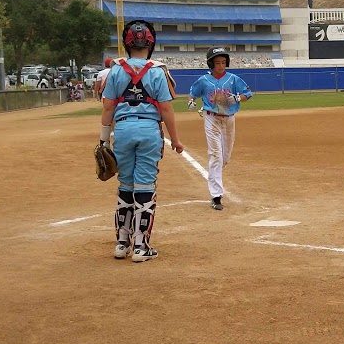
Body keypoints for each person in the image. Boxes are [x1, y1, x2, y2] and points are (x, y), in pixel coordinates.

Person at [99, 20, 184, 262]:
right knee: (145, 186)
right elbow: (166, 109)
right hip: (148, 130)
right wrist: (176, 140)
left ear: (126, 43)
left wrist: (104, 141)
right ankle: (141, 246)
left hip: (123, 128)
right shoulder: (158, 71)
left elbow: (107, 108)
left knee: (125, 185)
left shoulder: (115, 70)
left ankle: (121, 243)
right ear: (151, 42)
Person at [188, 47, 252, 210]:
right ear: (211, 64)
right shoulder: (204, 80)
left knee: (225, 157)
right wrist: (191, 101)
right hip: (212, 118)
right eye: (217, 63)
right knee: (215, 155)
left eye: (223, 62)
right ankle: (216, 196)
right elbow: (193, 93)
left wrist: (237, 97)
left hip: (229, 119)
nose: (221, 66)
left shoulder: (233, 79)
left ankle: (215, 173)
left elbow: (247, 94)